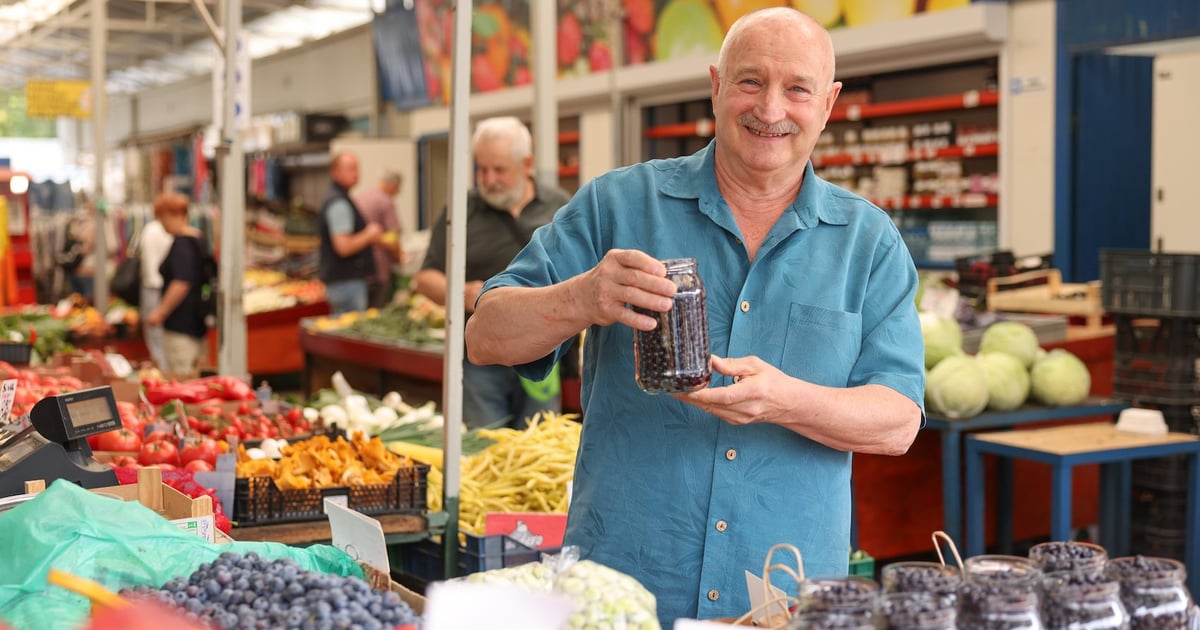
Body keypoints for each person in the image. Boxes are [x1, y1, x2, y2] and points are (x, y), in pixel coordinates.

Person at [464, 8, 925, 625]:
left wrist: (785, 400)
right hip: (623, 592)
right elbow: (485, 336)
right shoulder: (619, 205)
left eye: (797, 88)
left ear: (828, 103)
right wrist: (583, 296)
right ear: (716, 85)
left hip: (783, 596)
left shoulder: (867, 242)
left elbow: (897, 422)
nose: (770, 108)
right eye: (750, 81)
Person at [414, 116, 570, 428]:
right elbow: (425, 277)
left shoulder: (559, 207)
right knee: (484, 446)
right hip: (480, 363)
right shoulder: (461, 210)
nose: (488, 179)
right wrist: (462, 293)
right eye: (481, 169)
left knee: (541, 445)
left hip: (544, 356)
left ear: (527, 164)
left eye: (499, 170)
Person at [145, 192, 210, 377]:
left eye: (162, 218)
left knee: (182, 375)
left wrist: (160, 312)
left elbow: (181, 283)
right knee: (196, 373)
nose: (162, 224)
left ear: (171, 215)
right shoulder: (198, 239)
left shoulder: (183, 244)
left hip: (181, 325)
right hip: (197, 322)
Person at [318, 152, 381, 314]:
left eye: (357, 168)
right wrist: (368, 235)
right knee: (348, 325)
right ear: (335, 172)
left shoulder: (341, 198)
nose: (356, 173)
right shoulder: (338, 203)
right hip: (346, 284)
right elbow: (343, 247)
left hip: (344, 282)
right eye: (350, 168)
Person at [353, 170, 404, 309]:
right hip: (378, 268)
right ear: (393, 185)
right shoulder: (385, 201)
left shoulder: (360, 197)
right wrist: (399, 256)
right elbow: (392, 239)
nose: (397, 192)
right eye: (398, 188)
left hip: (358, 268)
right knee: (377, 310)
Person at [139, 200, 175, 370]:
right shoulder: (168, 232)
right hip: (165, 286)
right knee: (163, 334)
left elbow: (146, 261)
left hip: (152, 285)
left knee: (154, 335)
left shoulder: (151, 230)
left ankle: (161, 369)